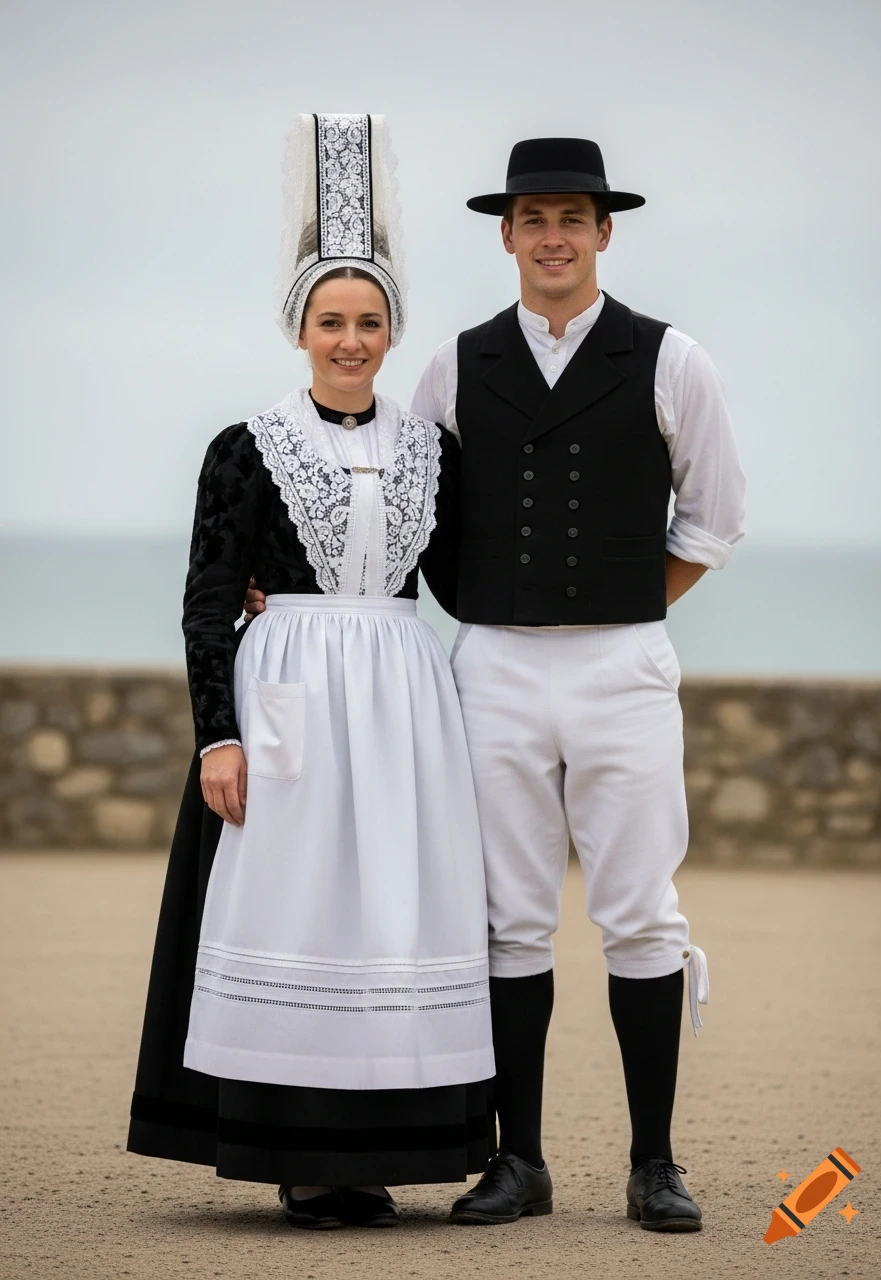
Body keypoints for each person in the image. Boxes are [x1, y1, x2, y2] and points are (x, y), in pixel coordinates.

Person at [247, 134, 747, 1233]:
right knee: (507, 921)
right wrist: (281, 586)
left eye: (572, 217)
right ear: (507, 235)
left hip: (623, 661)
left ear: (603, 231)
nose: (553, 236)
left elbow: (713, 521)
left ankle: (652, 1161)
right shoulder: (452, 364)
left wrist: (624, 601)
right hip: (495, 667)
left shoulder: (671, 360)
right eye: (532, 219)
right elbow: (389, 496)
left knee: (640, 916)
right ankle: (517, 1158)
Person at [127, 113, 495, 1231]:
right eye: (330, 320)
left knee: (391, 909)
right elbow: (204, 598)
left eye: (368, 320)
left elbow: (468, 577)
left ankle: (383, 1148)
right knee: (293, 906)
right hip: (285, 688)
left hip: (400, 697)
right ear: (299, 328)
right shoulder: (245, 445)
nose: (350, 338)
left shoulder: (437, 448)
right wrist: (217, 736)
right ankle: (293, 1150)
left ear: (392, 330)